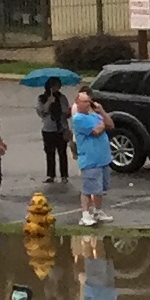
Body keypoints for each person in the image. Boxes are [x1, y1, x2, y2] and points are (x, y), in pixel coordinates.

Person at [70, 87, 112, 227]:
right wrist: (102, 124)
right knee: (89, 189)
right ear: (77, 103)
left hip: (103, 158)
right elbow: (96, 131)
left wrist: (102, 112)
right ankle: (85, 214)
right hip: (90, 159)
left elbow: (110, 124)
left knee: (100, 189)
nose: (88, 104)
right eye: (84, 102)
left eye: (89, 101)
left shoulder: (94, 115)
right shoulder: (78, 118)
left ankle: (97, 211)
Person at [36, 76, 72, 185]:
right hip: (48, 129)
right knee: (50, 153)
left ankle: (64, 175)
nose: (57, 88)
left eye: (58, 86)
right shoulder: (42, 98)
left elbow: (67, 112)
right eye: (55, 86)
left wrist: (66, 111)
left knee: (62, 153)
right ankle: (50, 175)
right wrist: (49, 102)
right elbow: (41, 112)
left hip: (61, 128)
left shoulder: (62, 97)